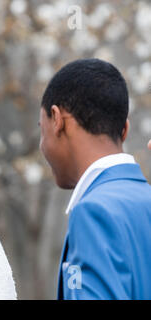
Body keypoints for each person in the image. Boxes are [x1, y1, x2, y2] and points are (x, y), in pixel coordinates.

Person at [39, 58, 151, 300]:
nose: (42, 145)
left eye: (42, 129)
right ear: (125, 129)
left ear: (57, 120)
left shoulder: (93, 212)